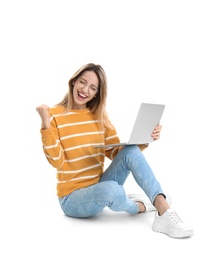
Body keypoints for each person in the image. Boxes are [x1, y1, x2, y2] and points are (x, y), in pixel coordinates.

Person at [36, 63, 193, 238]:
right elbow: (56, 161)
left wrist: (145, 139)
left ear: (97, 93)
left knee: (130, 151)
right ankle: (140, 207)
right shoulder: (53, 115)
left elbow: (116, 154)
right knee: (112, 189)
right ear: (73, 82)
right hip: (71, 199)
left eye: (93, 87)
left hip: (99, 184)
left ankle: (162, 208)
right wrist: (45, 125)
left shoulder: (100, 116)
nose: (85, 90)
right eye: (82, 82)